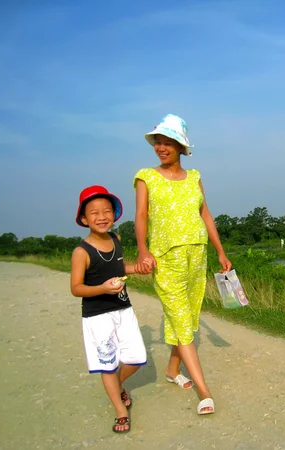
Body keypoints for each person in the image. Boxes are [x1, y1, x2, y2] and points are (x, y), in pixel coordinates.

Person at [133, 113, 232, 416]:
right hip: (166, 259)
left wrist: (220, 251)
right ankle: (204, 391)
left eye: (167, 142)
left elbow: (206, 215)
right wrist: (142, 250)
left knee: (187, 318)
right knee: (182, 319)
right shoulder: (145, 177)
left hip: (196, 255)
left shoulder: (195, 177)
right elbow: (141, 216)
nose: (160, 148)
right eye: (157, 142)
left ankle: (172, 368)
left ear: (180, 146)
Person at [70, 185, 148, 433]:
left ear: (114, 215)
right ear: (84, 219)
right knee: (108, 364)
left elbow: (118, 268)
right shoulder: (81, 252)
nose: (101, 216)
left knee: (136, 358)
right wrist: (102, 288)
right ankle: (120, 411)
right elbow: (76, 288)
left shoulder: (117, 239)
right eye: (94, 212)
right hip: (97, 316)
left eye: (107, 211)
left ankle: (116, 384)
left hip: (123, 309)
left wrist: (138, 268)